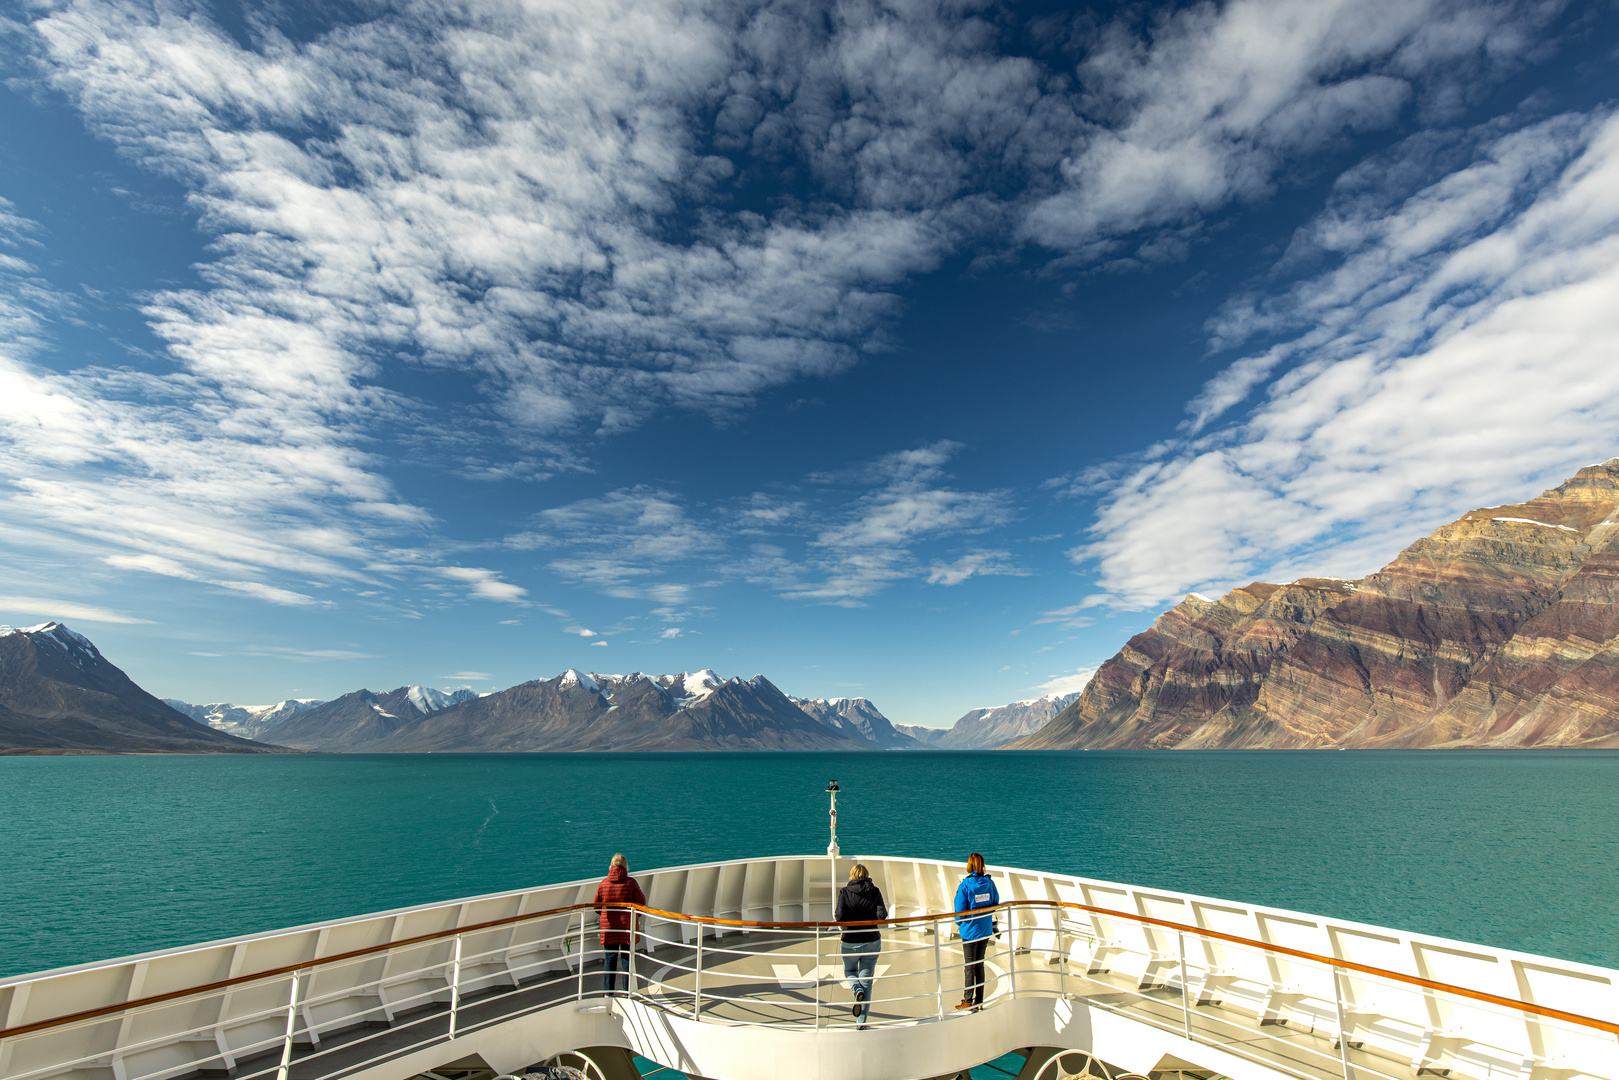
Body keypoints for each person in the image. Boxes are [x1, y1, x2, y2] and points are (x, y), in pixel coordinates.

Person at [835, 863, 887, 1028]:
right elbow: (882, 915)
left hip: (850, 941)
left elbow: (839, 917)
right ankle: (861, 1022)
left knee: (849, 971)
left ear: (852, 876)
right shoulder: (875, 891)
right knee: (867, 982)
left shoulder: (844, 892)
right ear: (867, 875)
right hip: (872, 941)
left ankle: (856, 990)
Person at [594, 853, 646, 995]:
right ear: (625, 866)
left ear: (611, 866)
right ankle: (628, 992)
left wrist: (606, 916)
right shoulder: (630, 883)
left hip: (609, 928)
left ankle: (608, 993)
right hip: (626, 928)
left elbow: (596, 906)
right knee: (627, 960)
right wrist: (634, 917)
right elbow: (641, 902)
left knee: (609, 959)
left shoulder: (604, 884)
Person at [953, 852, 999, 1010]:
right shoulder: (989, 883)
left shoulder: (965, 885)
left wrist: (959, 924)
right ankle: (979, 1001)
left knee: (969, 966)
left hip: (970, 932)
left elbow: (959, 909)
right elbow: (995, 901)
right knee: (979, 964)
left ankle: (967, 1001)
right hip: (984, 929)